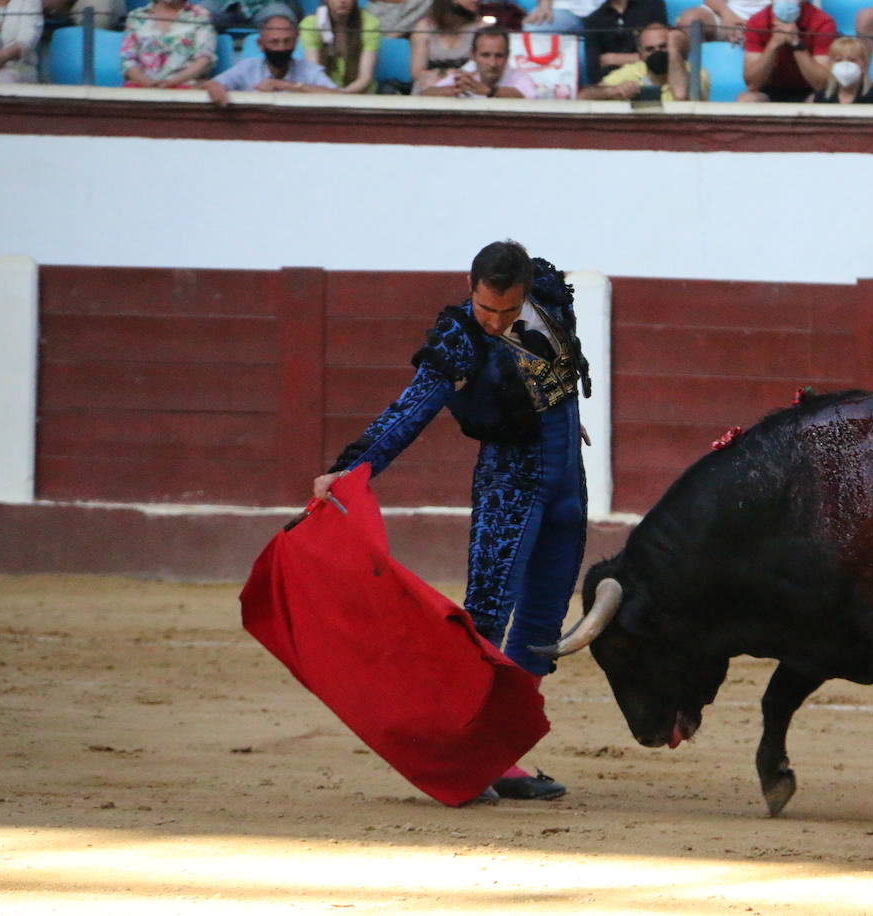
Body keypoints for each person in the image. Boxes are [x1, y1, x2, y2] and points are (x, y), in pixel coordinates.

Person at [313, 240, 588, 802]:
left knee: (541, 624)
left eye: (507, 312)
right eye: (486, 309)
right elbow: (411, 409)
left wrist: (564, 419)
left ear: (525, 294)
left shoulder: (551, 295)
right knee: (486, 618)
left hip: (567, 480)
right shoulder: (458, 336)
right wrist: (350, 468)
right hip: (510, 481)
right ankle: (467, 750)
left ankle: (502, 756)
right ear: (471, 289)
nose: (495, 322)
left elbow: (560, 368)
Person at [205, 13, 338, 105]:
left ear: (296, 42)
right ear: (260, 44)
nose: (281, 48)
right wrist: (216, 87)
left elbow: (336, 95)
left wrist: (286, 86)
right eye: (274, 42)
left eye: (287, 41)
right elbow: (214, 84)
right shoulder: (247, 67)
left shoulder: (308, 69)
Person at [578, 21, 706, 99]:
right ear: (640, 55)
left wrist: (674, 50)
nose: (657, 52)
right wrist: (614, 91)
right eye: (650, 49)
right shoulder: (634, 71)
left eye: (663, 46)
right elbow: (583, 96)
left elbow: (680, 94)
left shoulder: (696, 74)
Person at [739, 0, 836, 102]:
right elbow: (752, 84)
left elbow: (821, 84)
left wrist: (796, 43)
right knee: (747, 99)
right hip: (770, 89)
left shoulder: (823, 22)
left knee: (820, 101)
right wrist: (774, 44)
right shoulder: (756, 22)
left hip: (808, 90)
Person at [120, 0, 217, 88]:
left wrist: (171, 82)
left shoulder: (201, 16)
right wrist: (148, 83)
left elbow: (203, 60)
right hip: (142, 87)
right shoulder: (136, 15)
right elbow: (128, 60)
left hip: (185, 87)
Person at [421, 25, 537, 96]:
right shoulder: (466, 74)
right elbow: (425, 94)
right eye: (485, 55)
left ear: (507, 56)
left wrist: (489, 91)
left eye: (499, 56)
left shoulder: (518, 76)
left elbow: (525, 95)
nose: (492, 63)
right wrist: (454, 90)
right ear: (473, 55)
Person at [301, 0, 381, 94]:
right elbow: (314, 73)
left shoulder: (370, 24)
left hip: (360, 94)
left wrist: (344, 94)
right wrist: (333, 94)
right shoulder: (310, 24)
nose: (342, 1)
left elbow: (365, 77)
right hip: (323, 92)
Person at [580, 0, 666, 85]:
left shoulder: (653, 5)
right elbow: (594, 73)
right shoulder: (593, 20)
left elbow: (662, 56)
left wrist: (617, 59)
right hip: (613, 88)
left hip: (653, 80)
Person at [409, 0, 481, 93]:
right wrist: (446, 74)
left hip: (467, 87)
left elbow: (485, 69)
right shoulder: (424, 27)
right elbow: (417, 73)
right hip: (429, 88)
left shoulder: (480, 28)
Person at [810, 35, 873, 103]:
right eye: (838, 60)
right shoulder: (822, 96)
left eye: (852, 60)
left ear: (864, 64)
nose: (845, 65)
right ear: (831, 65)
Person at [674, 0, 769, 45]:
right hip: (724, 13)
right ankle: (699, 69)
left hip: (759, 25)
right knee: (691, 19)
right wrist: (727, 16)